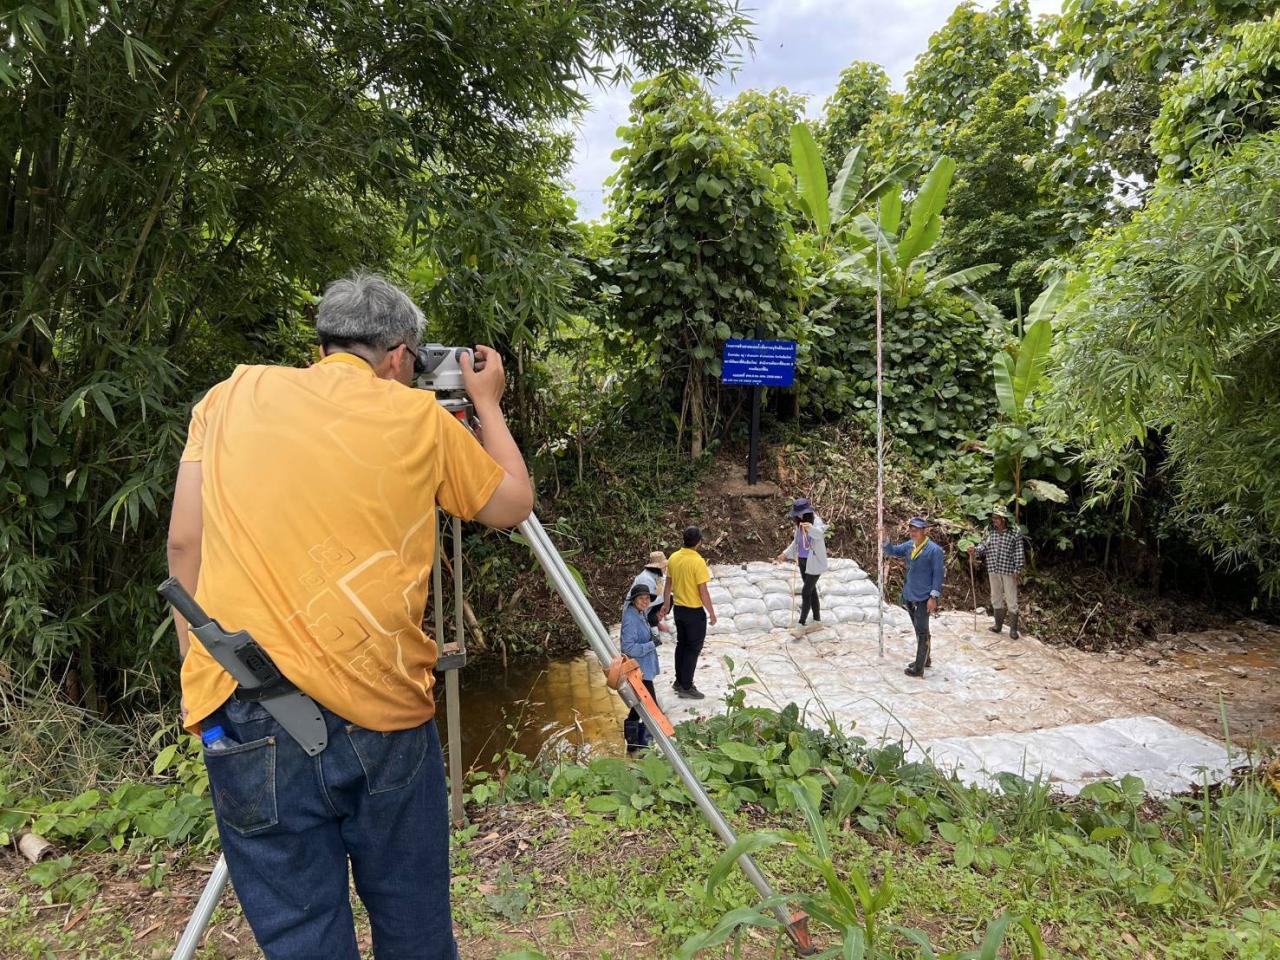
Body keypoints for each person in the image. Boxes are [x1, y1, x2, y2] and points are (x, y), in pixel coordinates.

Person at [165, 272, 533, 960]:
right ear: (398, 356)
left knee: (301, 937)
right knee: (414, 925)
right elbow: (512, 504)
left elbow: (186, 544)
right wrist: (485, 402)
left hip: (246, 703)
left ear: (324, 344)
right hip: (382, 712)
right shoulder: (420, 419)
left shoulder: (230, 395)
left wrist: (200, 673)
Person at [883, 517, 945, 678]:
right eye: (911, 530)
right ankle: (925, 659)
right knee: (918, 628)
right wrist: (885, 540)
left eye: (916, 530)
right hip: (911, 594)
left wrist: (933, 597)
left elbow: (938, 575)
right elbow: (893, 551)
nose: (913, 533)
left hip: (925, 596)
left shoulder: (934, 550)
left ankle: (919, 667)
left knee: (922, 631)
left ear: (925, 531)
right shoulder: (909, 546)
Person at [660, 526, 717, 699]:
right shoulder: (698, 561)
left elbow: (668, 585)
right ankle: (686, 686)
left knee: (682, 645)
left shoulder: (674, 558)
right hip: (694, 613)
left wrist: (666, 605)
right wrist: (712, 613)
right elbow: (703, 592)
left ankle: (679, 681)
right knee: (693, 648)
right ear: (699, 542)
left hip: (679, 610)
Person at [968, 506, 1025, 639]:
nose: (994, 520)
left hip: (1008, 570)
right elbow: (984, 546)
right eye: (993, 517)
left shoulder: (1014, 532)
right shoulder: (989, 530)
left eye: (997, 518)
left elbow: (1019, 552)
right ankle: (998, 626)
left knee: (1011, 599)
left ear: (1003, 519)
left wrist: (1017, 569)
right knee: (995, 596)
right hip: (993, 568)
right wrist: (975, 550)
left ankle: (1013, 630)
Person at [773, 497, 828, 634]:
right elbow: (796, 542)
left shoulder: (816, 521)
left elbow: (819, 534)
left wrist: (811, 528)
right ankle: (817, 621)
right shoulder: (799, 523)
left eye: (800, 514)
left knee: (805, 592)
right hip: (803, 561)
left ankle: (801, 624)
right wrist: (784, 554)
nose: (798, 517)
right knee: (811, 591)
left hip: (814, 562)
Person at [620, 583, 660, 752]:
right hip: (638, 671)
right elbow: (628, 648)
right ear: (634, 600)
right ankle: (645, 745)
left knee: (638, 708)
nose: (645, 601)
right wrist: (652, 644)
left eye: (647, 598)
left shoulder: (639, 613)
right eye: (641, 598)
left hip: (643, 669)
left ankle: (633, 744)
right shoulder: (630, 618)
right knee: (651, 706)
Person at [631, 551, 671, 640]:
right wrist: (665, 596)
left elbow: (660, 591)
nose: (665, 568)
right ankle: (653, 625)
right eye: (664, 567)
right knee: (666, 598)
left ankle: (657, 621)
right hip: (638, 607)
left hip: (649, 604)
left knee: (669, 598)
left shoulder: (657, 575)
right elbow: (644, 602)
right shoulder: (646, 579)